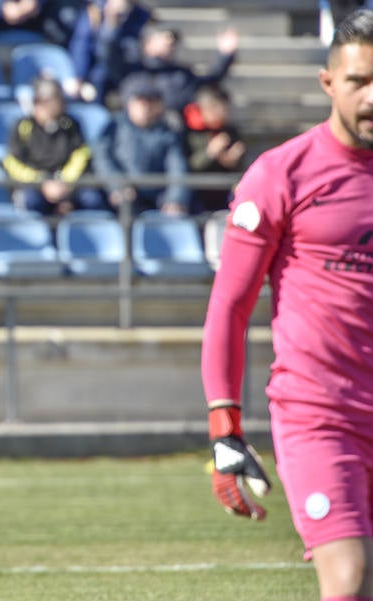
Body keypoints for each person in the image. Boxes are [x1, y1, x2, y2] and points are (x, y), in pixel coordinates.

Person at [202, 9, 373, 601]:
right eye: (359, 81)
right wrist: (225, 428)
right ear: (330, 83)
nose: (372, 96)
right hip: (321, 415)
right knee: (348, 581)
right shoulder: (282, 174)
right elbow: (229, 305)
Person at [2, 76, 105, 215]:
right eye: (56, 99)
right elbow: (12, 162)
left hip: (68, 184)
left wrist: (64, 182)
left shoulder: (71, 125)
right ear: (39, 102)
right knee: (31, 202)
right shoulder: (23, 126)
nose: (62, 103)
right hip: (35, 185)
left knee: (92, 199)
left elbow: (81, 155)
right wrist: (42, 182)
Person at [91, 71, 190, 215]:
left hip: (157, 196)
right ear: (128, 103)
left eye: (151, 101)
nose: (146, 107)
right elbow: (102, 159)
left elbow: (177, 166)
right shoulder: (114, 127)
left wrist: (176, 198)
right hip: (122, 196)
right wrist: (117, 186)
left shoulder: (168, 131)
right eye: (140, 101)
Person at [134, 23, 239, 113]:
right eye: (163, 39)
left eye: (173, 42)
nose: (170, 44)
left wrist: (225, 56)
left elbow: (207, 83)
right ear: (149, 42)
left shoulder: (181, 74)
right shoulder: (136, 72)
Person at [182, 83, 245, 213]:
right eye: (218, 107)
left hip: (224, 195)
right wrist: (210, 153)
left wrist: (231, 162)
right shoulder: (190, 133)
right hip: (198, 196)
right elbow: (188, 167)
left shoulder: (230, 132)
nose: (224, 112)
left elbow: (238, 166)